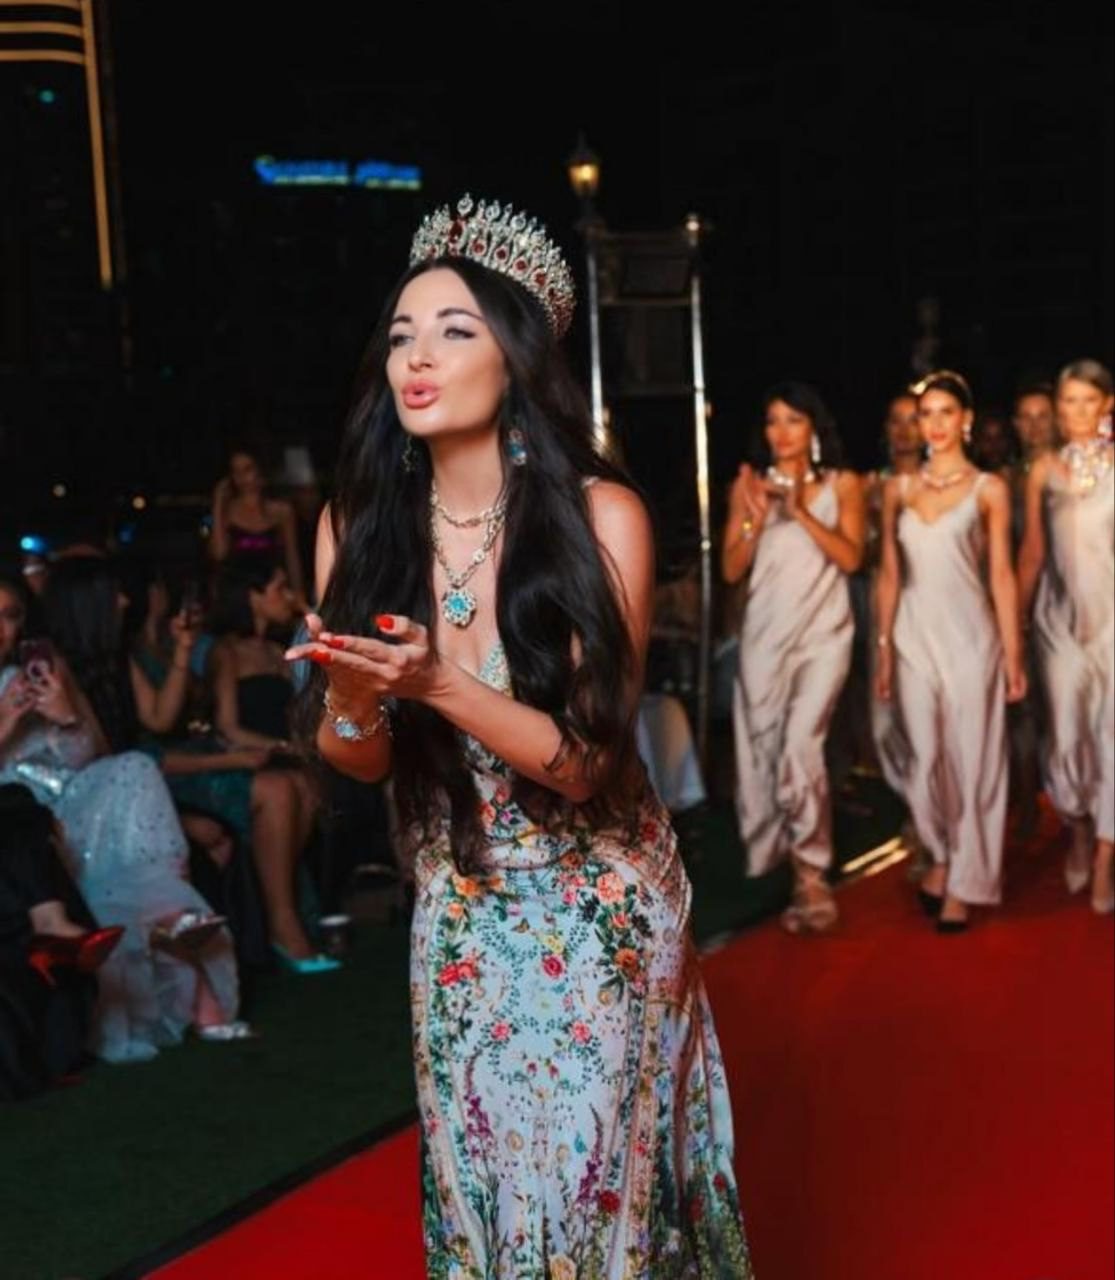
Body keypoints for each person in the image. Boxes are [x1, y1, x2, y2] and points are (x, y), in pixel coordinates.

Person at [287, 195, 752, 1277]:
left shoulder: (601, 519)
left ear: (517, 353)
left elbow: (584, 764)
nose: (418, 355)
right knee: (484, 1192)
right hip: (456, 911)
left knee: (601, 1205)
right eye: (401, 332)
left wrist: (438, 682)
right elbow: (355, 756)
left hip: (600, 910)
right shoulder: (352, 529)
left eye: (454, 329)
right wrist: (353, 700)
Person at [875, 371, 1026, 932]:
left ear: (964, 419)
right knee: (924, 759)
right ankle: (939, 853)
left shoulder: (990, 489)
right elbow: (889, 576)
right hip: (913, 636)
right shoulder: (898, 488)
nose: (933, 425)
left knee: (973, 759)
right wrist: (886, 650)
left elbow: (1003, 578)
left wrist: (1013, 657)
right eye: (925, 415)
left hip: (972, 638)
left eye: (944, 413)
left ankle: (964, 876)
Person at [722, 381, 865, 933]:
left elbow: (852, 556)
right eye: (773, 420)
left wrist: (801, 510)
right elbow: (733, 569)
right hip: (765, 635)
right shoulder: (751, 485)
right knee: (761, 750)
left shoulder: (842, 483)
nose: (781, 432)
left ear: (814, 428)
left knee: (802, 747)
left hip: (825, 635)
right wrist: (756, 517)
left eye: (793, 420)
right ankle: (781, 859)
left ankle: (811, 872)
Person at [1017, 358, 1114, 913]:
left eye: (1087, 400)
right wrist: (1012, 629)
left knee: (1114, 738)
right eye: (1067, 401)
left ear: (1107, 405)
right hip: (1059, 625)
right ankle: (1078, 824)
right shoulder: (1043, 470)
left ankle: (1104, 857)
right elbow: (1032, 554)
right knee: (1069, 739)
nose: (1076, 412)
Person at [209, 446, 308, 607]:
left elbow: (292, 558)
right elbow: (219, 554)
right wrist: (218, 503)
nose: (242, 477)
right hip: (236, 597)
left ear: (260, 470)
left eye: (247, 469)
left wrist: (299, 596)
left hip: (273, 594)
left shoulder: (282, 512)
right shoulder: (228, 511)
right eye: (236, 471)